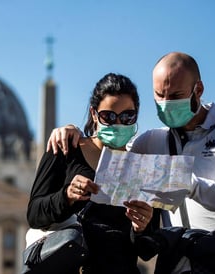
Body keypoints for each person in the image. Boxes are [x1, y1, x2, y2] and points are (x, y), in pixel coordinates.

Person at [46, 52, 215, 273]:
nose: (166, 104)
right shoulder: (151, 141)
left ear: (198, 90)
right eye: (159, 95)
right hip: (177, 263)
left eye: (175, 95)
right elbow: (111, 156)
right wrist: (72, 132)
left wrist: (187, 183)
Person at [27, 73, 156, 274]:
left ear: (136, 116)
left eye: (127, 116)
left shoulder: (142, 166)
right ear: (94, 114)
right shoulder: (65, 149)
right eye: (109, 116)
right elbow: (35, 214)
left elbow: (147, 250)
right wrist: (67, 196)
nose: (118, 123)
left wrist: (142, 227)